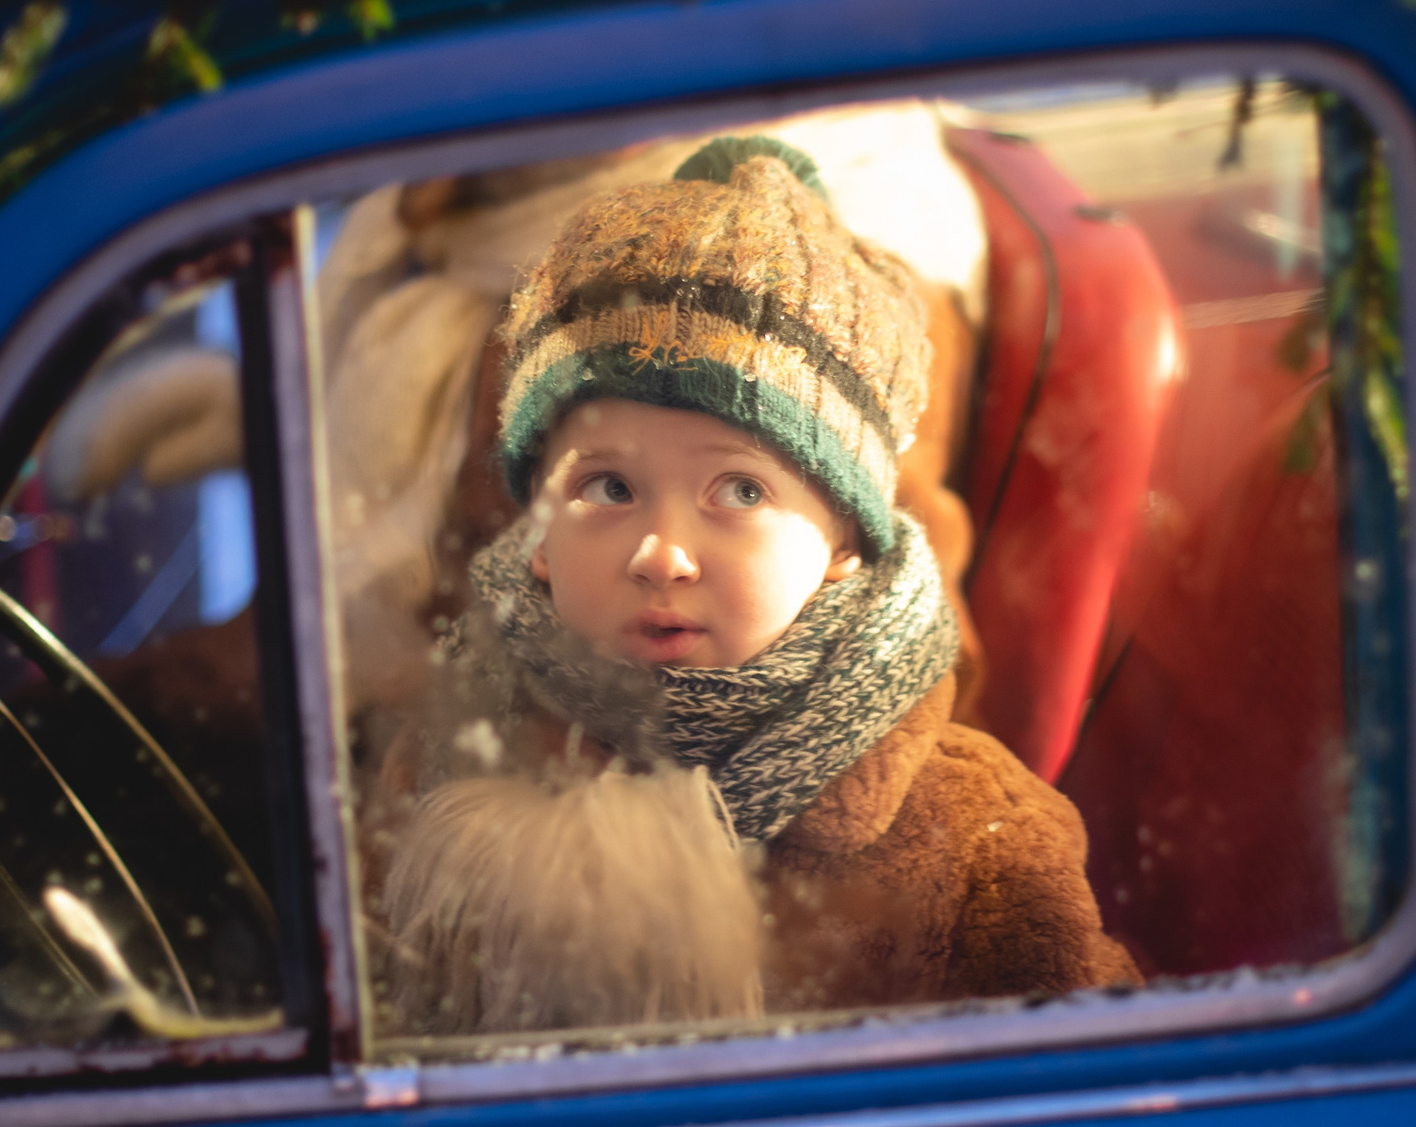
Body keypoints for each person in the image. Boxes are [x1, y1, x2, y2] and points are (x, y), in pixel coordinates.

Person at [375, 135, 1134, 1037]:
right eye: (608, 488)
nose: (662, 554)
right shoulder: (450, 750)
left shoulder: (972, 840)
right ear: (537, 533)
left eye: (739, 491)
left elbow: (1093, 1082)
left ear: (846, 540)